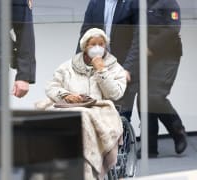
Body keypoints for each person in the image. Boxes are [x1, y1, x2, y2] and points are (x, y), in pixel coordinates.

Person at [36, 28, 126, 179]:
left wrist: (102, 71)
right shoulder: (67, 66)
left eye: (101, 44)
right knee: (49, 118)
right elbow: (51, 87)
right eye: (93, 44)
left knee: (81, 116)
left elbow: (115, 94)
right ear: (85, 47)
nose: (98, 48)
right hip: (68, 107)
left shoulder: (114, 67)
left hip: (100, 110)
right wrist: (66, 95)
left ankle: (86, 171)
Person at [137, 0, 187, 158]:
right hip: (148, 57)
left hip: (167, 55)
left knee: (155, 96)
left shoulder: (170, 3)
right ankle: (149, 147)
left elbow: (173, 28)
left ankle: (177, 130)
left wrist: (150, 46)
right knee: (143, 98)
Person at [77, 0, 139, 122]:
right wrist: (78, 65)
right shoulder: (95, 3)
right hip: (98, 69)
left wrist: (127, 69)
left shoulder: (134, 3)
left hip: (123, 69)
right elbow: (84, 37)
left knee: (120, 118)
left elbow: (138, 40)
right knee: (97, 117)